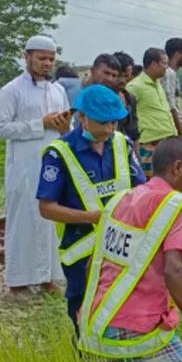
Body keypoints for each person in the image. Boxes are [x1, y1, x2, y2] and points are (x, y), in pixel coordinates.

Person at [77, 137, 182, 362]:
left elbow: (93, 261)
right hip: (137, 329)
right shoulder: (175, 205)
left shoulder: (120, 200)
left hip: (97, 323)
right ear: (177, 168)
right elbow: (174, 270)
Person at [37, 85, 145, 331]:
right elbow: (47, 208)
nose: (109, 129)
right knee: (84, 311)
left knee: (123, 306)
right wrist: (91, 217)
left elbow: (141, 188)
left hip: (122, 244)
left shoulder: (122, 144)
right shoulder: (59, 153)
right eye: (102, 122)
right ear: (82, 117)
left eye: (114, 123)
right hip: (81, 249)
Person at [0, 35, 72, 295]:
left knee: (50, 220)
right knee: (24, 220)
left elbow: (67, 125)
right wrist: (40, 124)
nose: (47, 63)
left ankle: (47, 277)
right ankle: (18, 282)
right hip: (24, 167)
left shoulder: (58, 90)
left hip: (52, 164)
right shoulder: (11, 90)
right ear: (26, 57)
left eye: (51, 59)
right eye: (41, 58)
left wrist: (63, 127)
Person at [128, 48, 182, 177]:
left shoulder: (158, 83)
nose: (166, 67)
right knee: (152, 182)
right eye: (164, 63)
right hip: (149, 145)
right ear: (154, 64)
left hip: (166, 143)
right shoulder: (135, 87)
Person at [160, 37, 182, 136]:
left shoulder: (173, 75)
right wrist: (181, 131)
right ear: (177, 54)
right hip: (172, 126)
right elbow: (171, 105)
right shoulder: (168, 74)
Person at [112, 52, 141, 147]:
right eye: (119, 75)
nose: (123, 80)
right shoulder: (101, 98)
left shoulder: (130, 98)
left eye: (126, 76)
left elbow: (134, 132)